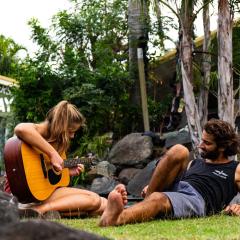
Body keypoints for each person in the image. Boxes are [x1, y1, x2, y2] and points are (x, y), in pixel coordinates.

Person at [100, 119, 240, 226]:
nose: (200, 146)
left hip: (196, 198)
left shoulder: (235, 168)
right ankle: (148, 198)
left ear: (222, 147)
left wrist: (237, 206)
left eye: (207, 143)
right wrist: (153, 185)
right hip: (178, 188)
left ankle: (117, 218)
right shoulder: (195, 162)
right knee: (179, 150)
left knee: (158, 199)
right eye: (202, 140)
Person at [4, 100, 107, 218]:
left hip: (43, 193)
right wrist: (53, 154)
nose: (72, 136)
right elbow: (20, 128)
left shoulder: (58, 143)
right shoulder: (36, 131)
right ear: (61, 126)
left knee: (104, 204)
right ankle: (37, 210)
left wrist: (67, 171)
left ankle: (37, 211)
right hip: (27, 195)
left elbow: (47, 174)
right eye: (70, 131)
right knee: (94, 200)